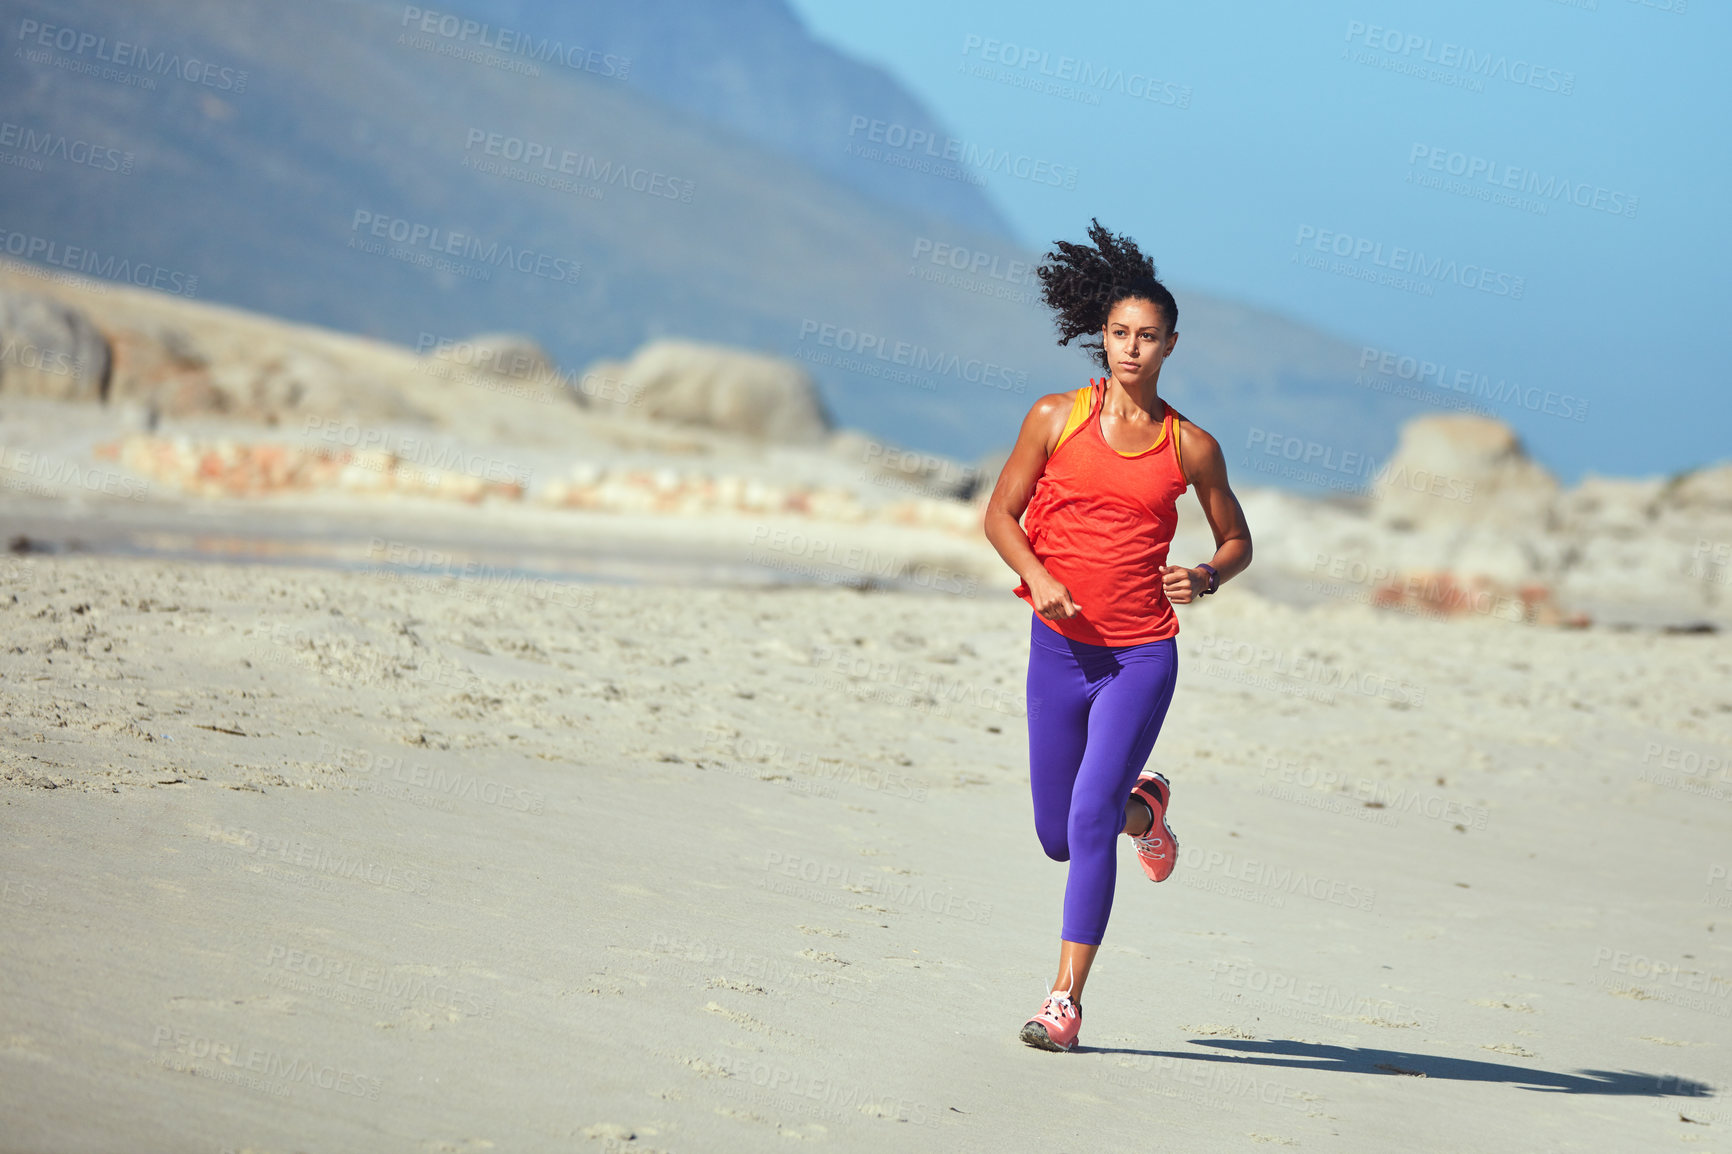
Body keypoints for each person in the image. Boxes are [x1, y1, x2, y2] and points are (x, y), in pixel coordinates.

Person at [982, 220, 1252, 1052]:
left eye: (1148, 338)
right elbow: (999, 515)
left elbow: (1237, 541)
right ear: (1100, 335)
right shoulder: (1054, 417)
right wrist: (1042, 573)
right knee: (1060, 836)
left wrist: (1204, 576)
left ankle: (1063, 1003)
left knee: (1088, 819)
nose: (1131, 349)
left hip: (1141, 655)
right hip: (1058, 649)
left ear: (1171, 345)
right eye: (1119, 334)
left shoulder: (1190, 446)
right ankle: (1150, 811)